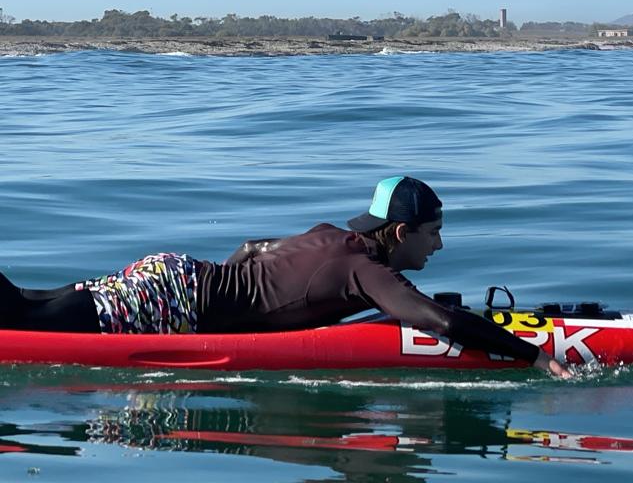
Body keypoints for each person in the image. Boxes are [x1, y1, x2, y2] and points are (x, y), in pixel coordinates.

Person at [0, 176, 569, 377]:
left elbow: (251, 248)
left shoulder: (328, 234)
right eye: (433, 232)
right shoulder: (366, 271)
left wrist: (226, 295)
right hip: (176, 299)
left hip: (173, 274)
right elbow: (433, 319)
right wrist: (535, 356)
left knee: (35, 302)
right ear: (399, 234)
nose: (440, 244)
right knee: (28, 320)